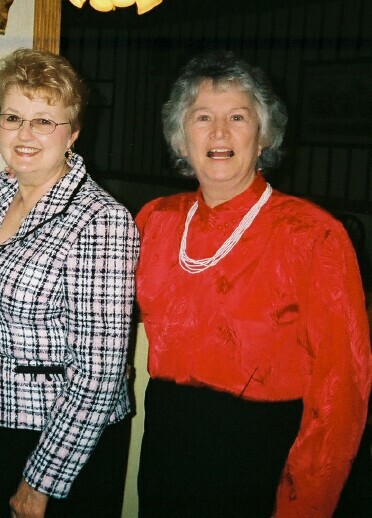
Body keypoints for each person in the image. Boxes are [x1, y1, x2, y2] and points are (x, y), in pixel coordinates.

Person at [135, 51, 372, 517]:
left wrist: (306, 502)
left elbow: (342, 385)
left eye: (238, 117)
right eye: (203, 117)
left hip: (260, 453)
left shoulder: (313, 234)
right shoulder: (155, 220)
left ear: (263, 136)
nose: (219, 133)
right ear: (181, 137)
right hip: (167, 439)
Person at [0, 48, 139, 518]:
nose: (24, 134)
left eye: (43, 121)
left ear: (73, 132)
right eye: (13, 117)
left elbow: (99, 374)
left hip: (62, 438)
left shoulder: (101, 221)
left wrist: (41, 481)